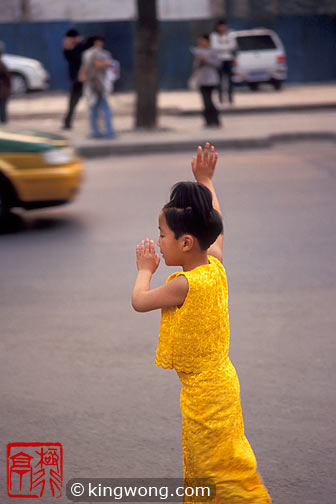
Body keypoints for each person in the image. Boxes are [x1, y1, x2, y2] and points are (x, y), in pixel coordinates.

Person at [132, 142, 272, 504]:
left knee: (220, 470)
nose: (160, 242)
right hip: (222, 383)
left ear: (187, 242)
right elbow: (217, 225)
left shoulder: (182, 285)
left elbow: (139, 301)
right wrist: (206, 180)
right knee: (213, 462)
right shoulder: (215, 264)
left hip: (205, 395)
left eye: (163, 235)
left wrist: (145, 270)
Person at [79, 35, 115, 139]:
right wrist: (108, 63)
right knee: (105, 108)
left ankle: (95, 132)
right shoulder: (99, 53)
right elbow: (98, 64)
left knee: (93, 109)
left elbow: (84, 68)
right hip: (98, 83)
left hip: (91, 84)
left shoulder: (87, 53)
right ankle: (109, 132)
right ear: (96, 42)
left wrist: (83, 77)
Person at [190, 35, 221, 128]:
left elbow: (218, 63)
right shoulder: (198, 51)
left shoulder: (213, 51)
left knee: (210, 101)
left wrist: (207, 60)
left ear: (207, 41)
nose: (201, 43)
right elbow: (195, 66)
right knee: (205, 101)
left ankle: (215, 120)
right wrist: (199, 61)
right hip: (202, 80)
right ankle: (208, 121)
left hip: (211, 80)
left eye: (202, 41)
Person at [62, 28, 90, 130]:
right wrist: (67, 49)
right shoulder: (74, 48)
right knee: (72, 103)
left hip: (83, 80)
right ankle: (67, 123)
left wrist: (69, 48)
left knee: (93, 102)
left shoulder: (82, 46)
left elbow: (78, 60)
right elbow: (69, 58)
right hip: (76, 79)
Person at [210, 19, 238, 104]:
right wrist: (225, 47)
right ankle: (221, 99)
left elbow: (233, 46)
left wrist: (222, 48)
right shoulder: (214, 36)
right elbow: (214, 47)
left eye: (223, 26)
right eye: (220, 26)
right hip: (218, 60)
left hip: (228, 59)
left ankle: (230, 99)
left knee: (230, 80)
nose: (222, 28)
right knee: (219, 80)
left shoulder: (230, 35)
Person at [0, 42, 11, 124]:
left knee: (3, 112)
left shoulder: (2, 65)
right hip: (3, 92)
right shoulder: (2, 64)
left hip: (2, 92)